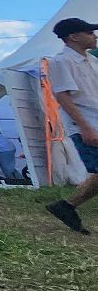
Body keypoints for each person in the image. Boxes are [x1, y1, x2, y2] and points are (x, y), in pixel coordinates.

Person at [44, 17, 98, 234]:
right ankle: (66, 206)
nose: (94, 36)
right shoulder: (60, 62)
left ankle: (66, 206)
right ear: (73, 37)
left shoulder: (92, 61)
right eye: (89, 32)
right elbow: (63, 96)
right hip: (87, 123)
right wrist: (85, 127)